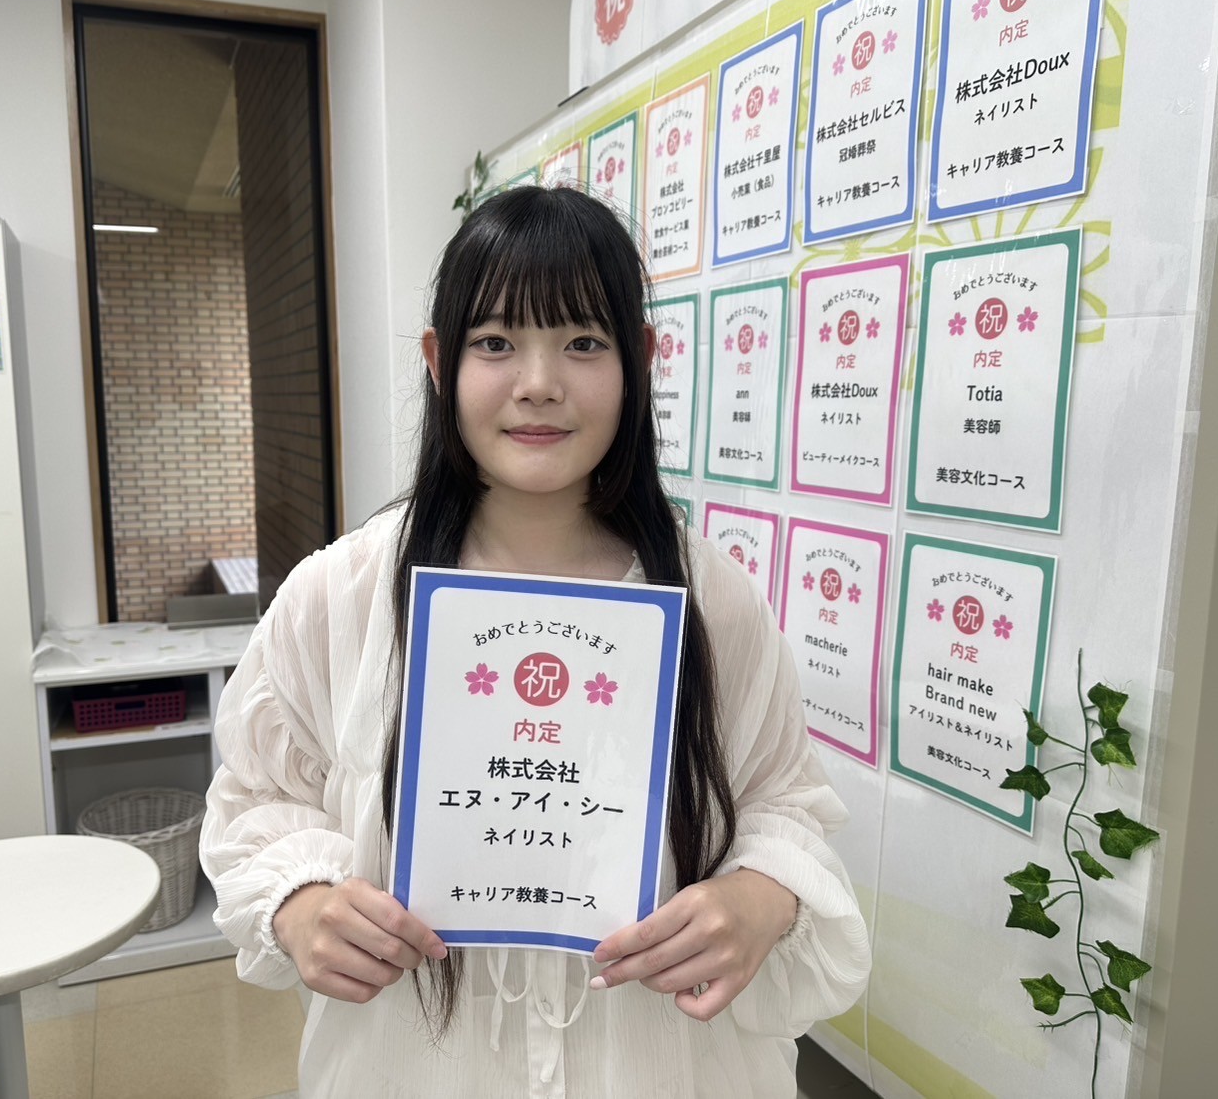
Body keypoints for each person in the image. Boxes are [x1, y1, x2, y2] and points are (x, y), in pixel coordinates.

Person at [200, 185, 870, 1098]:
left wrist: (760, 898)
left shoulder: (712, 601)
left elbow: (783, 799)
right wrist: (299, 903)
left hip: (668, 1067)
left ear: (640, 360)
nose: (539, 383)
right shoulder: (338, 596)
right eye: (495, 342)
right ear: (439, 361)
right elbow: (255, 800)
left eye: (583, 342)